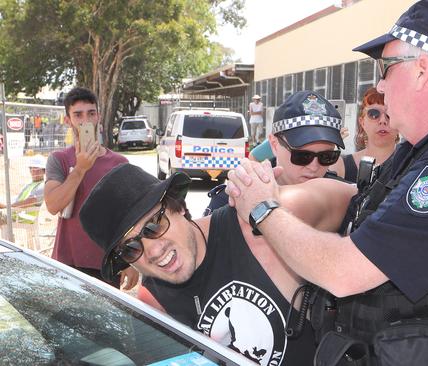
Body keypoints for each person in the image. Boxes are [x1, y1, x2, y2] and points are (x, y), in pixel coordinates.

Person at [226, 1, 428, 364]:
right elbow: (360, 205)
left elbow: (342, 272)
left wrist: (263, 208)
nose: (380, 83)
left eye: (386, 67)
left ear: (422, 70)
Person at [79, 163, 354, 365]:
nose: (152, 249)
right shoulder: (153, 303)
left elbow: (361, 201)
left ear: (179, 206)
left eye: (154, 225)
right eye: (130, 248)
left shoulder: (256, 224)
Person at [43, 87, 137, 290]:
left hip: (106, 265)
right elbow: (52, 205)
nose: (85, 120)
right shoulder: (59, 159)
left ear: (99, 117)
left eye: (91, 113)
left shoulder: (119, 162)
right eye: (78, 114)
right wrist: (80, 169)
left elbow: (127, 217)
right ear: (67, 120)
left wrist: (129, 259)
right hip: (67, 263)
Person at [205, 90, 344, 213]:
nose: (314, 167)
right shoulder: (236, 198)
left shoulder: (345, 200)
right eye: (302, 156)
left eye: (327, 156)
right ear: (274, 144)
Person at [331, 87, 399, 182]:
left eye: (390, 114)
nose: (383, 120)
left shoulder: (414, 164)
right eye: (374, 114)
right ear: (362, 122)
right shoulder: (340, 166)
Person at [0, 155, 47, 224]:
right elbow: (19, 199)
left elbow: (30, 201)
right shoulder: (30, 183)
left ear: (44, 171)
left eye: (38, 170)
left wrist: (7, 207)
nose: (34, 172)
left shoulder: (42, 186)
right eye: (32, 169)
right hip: (17, 213)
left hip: (23, 216)